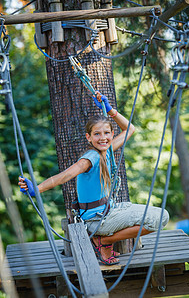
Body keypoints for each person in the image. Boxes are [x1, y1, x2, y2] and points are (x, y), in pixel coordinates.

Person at [19, 91, 169, 266]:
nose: (103, 137)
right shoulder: (91, 158)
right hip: (97, 220)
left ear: (112, 134)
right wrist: (36, 189)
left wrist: (110, 110)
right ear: (88, 137)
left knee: (160, 216)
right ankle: (104, 241)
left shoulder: (108, 150)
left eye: (106, 133)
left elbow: (130, 129)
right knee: (161, 218)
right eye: (97, 134)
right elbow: (65, 175)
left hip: (111, 210)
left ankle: (105, 240)